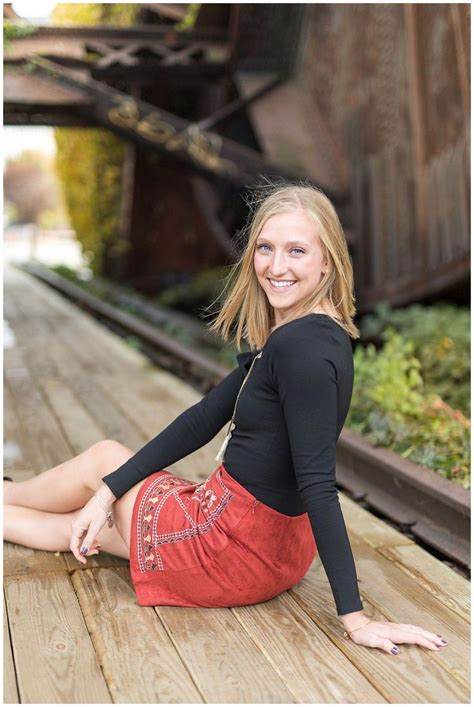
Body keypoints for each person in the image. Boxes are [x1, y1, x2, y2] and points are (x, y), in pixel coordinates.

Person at [4, 183, 448, 657]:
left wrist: (355, 619)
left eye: (297, 251)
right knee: (84, 517)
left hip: (224, 546)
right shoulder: (313, 332)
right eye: (266, 248)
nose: (276, 267)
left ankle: (8, 492)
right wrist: (108, 493)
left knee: (103, 460)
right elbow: (203, 419)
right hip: (274, 549)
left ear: (328, 261)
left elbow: (318, 480)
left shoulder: (301, 351)